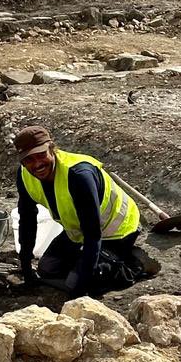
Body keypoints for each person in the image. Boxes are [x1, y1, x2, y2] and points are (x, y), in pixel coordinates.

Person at [13, 125, 154, 298]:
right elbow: (27, 220)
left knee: (85, 283)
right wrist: (26, 266)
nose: (37, 164)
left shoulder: (79, 175)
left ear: (52, 149)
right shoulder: (25, 175)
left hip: (117, 229)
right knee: (47, 269)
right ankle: (91, 264)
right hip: (78, 230)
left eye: (42, 155)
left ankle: (136, 263)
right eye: (29, 160)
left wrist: (78, 292)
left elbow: (93, 235)